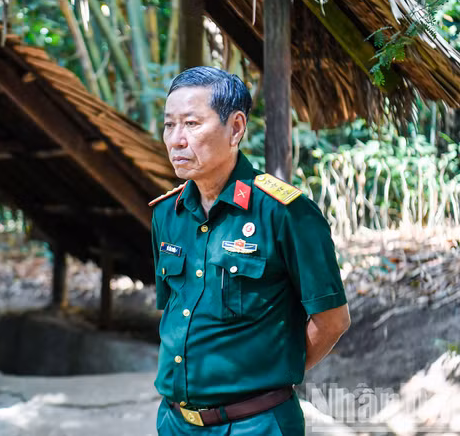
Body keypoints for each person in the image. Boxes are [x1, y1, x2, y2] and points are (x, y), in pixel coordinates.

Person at [149, 66, 351, 435]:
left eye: (191, 124)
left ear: (236, 128)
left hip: (256, 424)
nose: (176, 140)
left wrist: (271, 372)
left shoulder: (285, 213)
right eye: (169, 125)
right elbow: (175, 312)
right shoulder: (167, 214)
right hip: (176, 423)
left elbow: (332, 321)